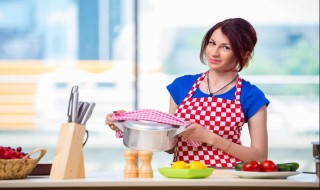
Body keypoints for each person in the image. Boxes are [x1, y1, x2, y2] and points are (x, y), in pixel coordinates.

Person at [106, 18, 269, 168]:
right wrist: (126, 125)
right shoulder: (182, 86)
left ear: (244, 53)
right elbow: (169, 147)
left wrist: (209, 137)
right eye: (212, 43)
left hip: (227, 179)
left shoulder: (251, 96)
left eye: (225, 47)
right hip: (182, 177)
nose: (214, 52)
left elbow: (260, 157)